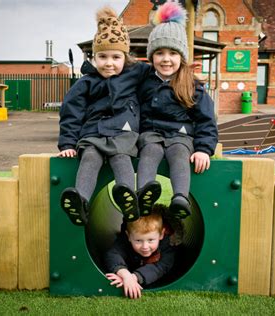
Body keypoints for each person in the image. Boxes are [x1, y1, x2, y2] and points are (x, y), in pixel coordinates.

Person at [57, 7, 157, 225]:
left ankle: (128, 199)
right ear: (94, 57)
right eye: (102, 56)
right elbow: (71, 112)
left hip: (123, 132)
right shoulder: (86, 82)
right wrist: (67, 143)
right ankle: (80, 201)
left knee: (122, 159)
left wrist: (181, 70)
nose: (108, 63)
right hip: (93, 133)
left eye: (115, 57)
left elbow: (160, 69)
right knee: (90, 158)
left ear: (125, 58)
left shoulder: (134, 74)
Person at [137, 1, 218, 219]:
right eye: (159, 52)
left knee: (180, 154)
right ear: (151, 56)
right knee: (149, 152)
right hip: (151, 134)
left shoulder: (190, 84)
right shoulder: (144, 80)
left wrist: (203, 149)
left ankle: (180, 197)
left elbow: (206, 120)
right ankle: (143, 195)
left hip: (180, 135)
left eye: (172, 53)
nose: (166, 59)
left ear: (181, 57)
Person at [104, 205, 178, 299]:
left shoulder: (167, 245)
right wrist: (125, 274)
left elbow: (161, 267)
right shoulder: (124, 240)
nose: (145, 247)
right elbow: (112, 254)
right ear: (129, 236)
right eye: (138, 241)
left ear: (161, 235)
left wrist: (134, 277)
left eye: (151, 240)